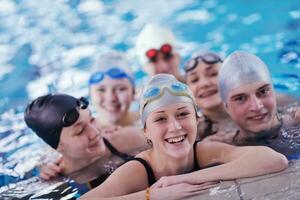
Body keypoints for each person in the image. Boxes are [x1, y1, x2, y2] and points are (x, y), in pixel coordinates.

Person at [81, 74, 288, 199]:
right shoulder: (138, 170)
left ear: (197, 119)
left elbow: (274, 160)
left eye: (183, 114)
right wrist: (150, 196)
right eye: (160, 119)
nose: (175, 127)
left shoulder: (203, 150)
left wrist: (184, 179)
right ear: (146, 130)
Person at [24, 94, 148, 190]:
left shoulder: (127, 139)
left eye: (92, 120)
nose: (95, 133)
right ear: (58, 146)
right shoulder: (56, 182)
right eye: (80, 131)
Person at [218, 51, 300, 159]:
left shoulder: (296, 123)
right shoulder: (222, 147)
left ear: (274, 92)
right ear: (226, 107)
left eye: (263, 91)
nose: (256, 106)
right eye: (240, 98)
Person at [185, 50, 238, 141]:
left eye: (213, 74)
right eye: (194, 80)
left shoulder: (257, 113)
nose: (204, 84)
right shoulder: (191, 134)